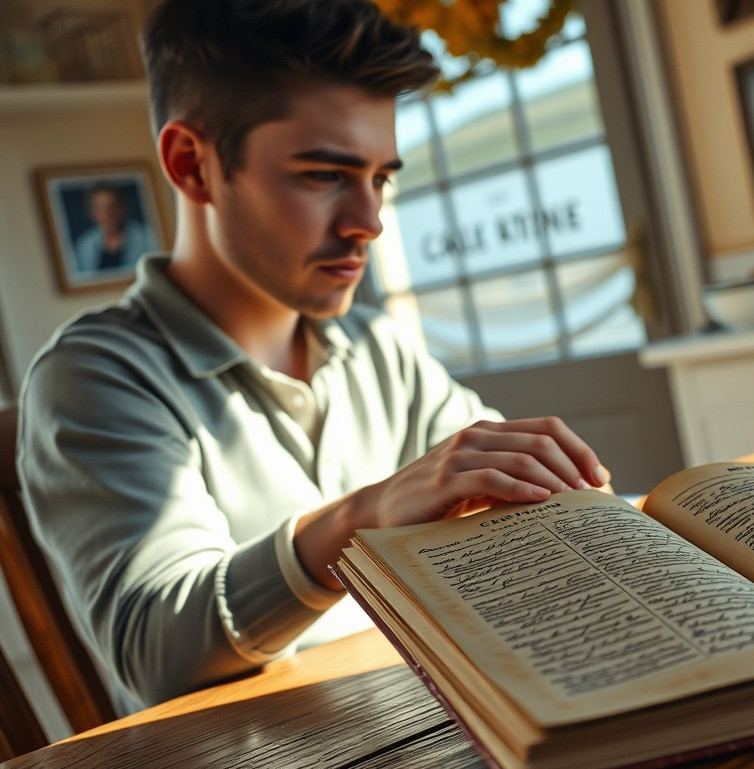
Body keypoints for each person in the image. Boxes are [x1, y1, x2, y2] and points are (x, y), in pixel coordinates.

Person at [18, 0, 607, 711]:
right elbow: (156, 652)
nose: (370, 223)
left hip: (431, 724)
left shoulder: (377, 348)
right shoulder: (95, 378)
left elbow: (510, 498)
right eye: (325, 175)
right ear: (192, 165)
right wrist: (363, 518)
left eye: (380, 177)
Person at [72, 182, 157, 275]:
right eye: (100, 208)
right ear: (92, 213)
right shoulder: (83, 245)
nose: (107, 214)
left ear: (122, 208)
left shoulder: (148, 238)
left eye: (112, 206)